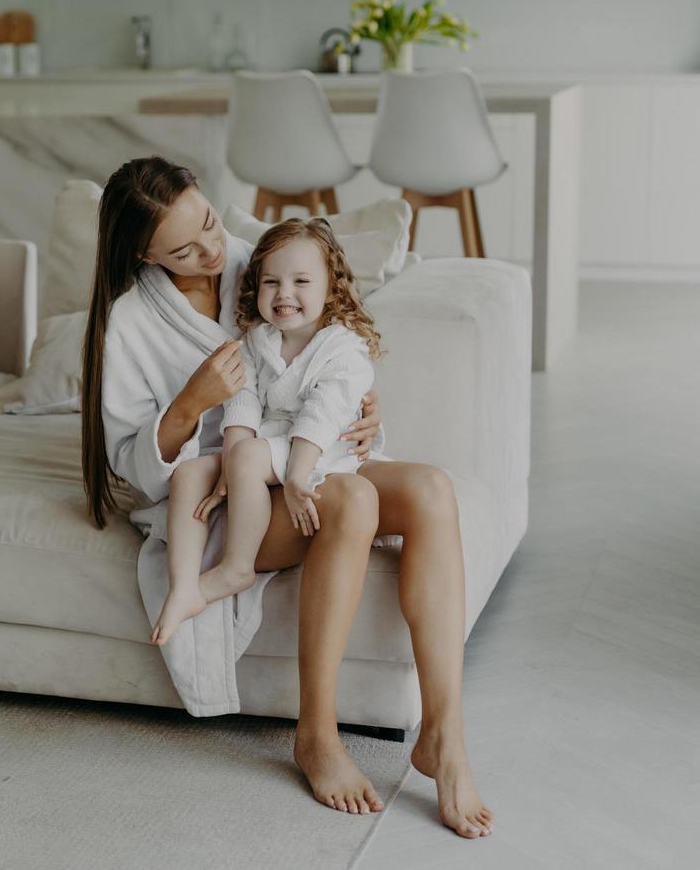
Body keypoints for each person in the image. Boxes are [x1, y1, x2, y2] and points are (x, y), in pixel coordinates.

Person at [81, 156, 493, 836]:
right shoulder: (128, 323)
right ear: (143, 254)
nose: (212, 250)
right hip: (222, 498)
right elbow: (133, 472)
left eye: (209, 223)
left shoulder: (259, 262)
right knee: (353, 503)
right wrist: (191, 404)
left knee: (430, 491)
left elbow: (327, 344)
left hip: (299, 458)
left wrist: (360, 411)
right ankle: (317, 733)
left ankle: (444, 735)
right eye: (184, 249)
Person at [149, 217, 383, 650]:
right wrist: (227, 472)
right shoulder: (258, 340)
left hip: (322, 451)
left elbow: (321, 416)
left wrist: (296, 477)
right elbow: (243, 403)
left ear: (331, 287)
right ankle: (183, 584)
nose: (284, 294)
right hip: (267, 448)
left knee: (250, 456)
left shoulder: (343, 349)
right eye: (271, 282)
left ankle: (236, 567)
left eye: (301, 281)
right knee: (190, 471)